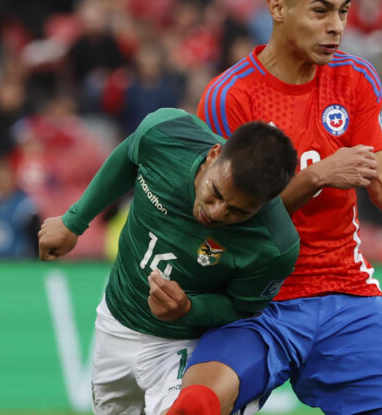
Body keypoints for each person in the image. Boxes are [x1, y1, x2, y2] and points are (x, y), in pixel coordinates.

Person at [169, 0, 382, 415]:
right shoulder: (231, 97)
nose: (336, 28)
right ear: (277, 6)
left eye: (344, 12)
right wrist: (319, 176)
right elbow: (229, 217)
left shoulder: (356, 78)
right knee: (197, 404)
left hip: (346, 294)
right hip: (258, 299)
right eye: (321, 11)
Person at [37, 107, 299, 415]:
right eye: (215, 193)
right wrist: (75, 221)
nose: (216, 213)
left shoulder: (274, 245)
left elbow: (242, 309)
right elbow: (129, 154)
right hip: (115, 320)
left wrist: (190, 309)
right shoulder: (166, 135)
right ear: (214, 154)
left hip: (183, 345)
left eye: (237, 212)